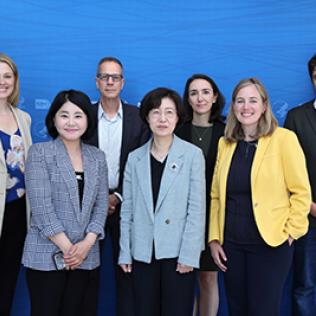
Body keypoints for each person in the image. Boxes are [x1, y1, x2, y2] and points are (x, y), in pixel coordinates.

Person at [209, 78, 311, 316]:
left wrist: (292, 230)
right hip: (231, 246)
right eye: (240, 101)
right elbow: (215, 196)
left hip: (271, 245)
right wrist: (214, 238)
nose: (246, 107)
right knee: (237, 309)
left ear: (264, 105)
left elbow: (301, 191)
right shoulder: (226, 144)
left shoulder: (284, 139)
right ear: (233, 106)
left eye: (253, 100)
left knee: (263, 310)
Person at [119, 87, 206, 316]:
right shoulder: (135, 157)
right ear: (147, 117)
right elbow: (127, 209)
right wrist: (125, 252)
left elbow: (196, 209)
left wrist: (189, 254)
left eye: (169, 112)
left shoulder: (192, 155)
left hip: (178, 253)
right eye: (156, 112)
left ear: (178, 117)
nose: (163, 118)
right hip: (143, 251)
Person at [22, 90, 108, 316]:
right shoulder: (40, 153)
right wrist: (70, 250)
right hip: (46, 256)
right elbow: (41, 208)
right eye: (64, 115)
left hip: (86, 257)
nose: (71, 122)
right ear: (53, 119)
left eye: (78, 115)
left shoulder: (97, 157)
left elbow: (101, 206)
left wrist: (87, 244)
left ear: (88, 120)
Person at [85, 56, 149, 316]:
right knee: (86, 276)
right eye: (104, 76)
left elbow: (142, 164)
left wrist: (117, 197)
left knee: (127, 275)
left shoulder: (138, 118)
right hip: (87, 207)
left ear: (123, 83)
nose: (110, 81)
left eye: (115, 77)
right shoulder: (83, 115)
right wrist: (101, 199)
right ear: (96, 82)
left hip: (126, 206)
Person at [176, 74, 225, 316]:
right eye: (193, 92)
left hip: (214, 216)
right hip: (180, 215)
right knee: (183, 278)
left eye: (206, 92)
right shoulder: (176, 130)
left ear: (215, 97)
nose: (200, 98)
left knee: (207, 278)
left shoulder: (228, 132)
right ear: (188, 98)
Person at [0, 53, 32, 316]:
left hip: (18, 212)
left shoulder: (23, 118)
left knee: (8, 279)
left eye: (7, 76)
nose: (2, 82)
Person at [284, 54, 316, 316]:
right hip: (308, 218)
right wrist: (310, 205)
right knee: (304, 285)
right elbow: (288, 170)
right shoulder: (296, 117)